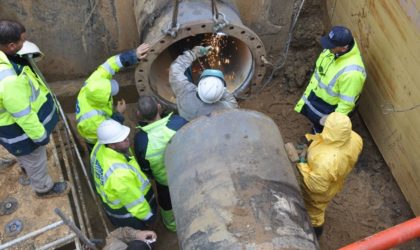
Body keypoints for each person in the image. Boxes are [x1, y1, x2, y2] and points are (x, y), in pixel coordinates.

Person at [0, 19, 69, 198]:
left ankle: (25, 162)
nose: (25, 43)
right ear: (11, 45)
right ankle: (44, 189)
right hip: (20, 133)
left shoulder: (6, 57)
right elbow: (23, 115)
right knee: (35, 161)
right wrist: (40, 137)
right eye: (22, 41)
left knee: (28, 158)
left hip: (9, 130)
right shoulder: (8, 81)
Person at [296, 112, 363, 238]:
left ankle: (314, 235)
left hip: (319, 190)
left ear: (331, 131)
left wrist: (302, 163)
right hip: (334, 179)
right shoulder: (355, 138)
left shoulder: (326, 161)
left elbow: (316, 187)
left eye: (326, 127)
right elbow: (326, 139)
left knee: (315, 212)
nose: (323, 128)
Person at [76, 43, 150, 152]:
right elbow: (108, 130)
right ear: (103, 100)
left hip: (98, 122)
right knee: (105, 151)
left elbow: (110, 64)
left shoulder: (94, 83)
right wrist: (119, 114)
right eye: (109, 94)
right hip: (95, 138)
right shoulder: (92, 121)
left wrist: (134, 55)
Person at [294, 26, 366, 133]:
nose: (327, 48)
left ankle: (318, 144)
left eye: (331, 46)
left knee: (325, 132)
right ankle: (315, 134)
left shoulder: (352, 73)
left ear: (344, 48)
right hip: (318, 98)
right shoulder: (333, 51)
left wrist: (332, 121)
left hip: (330, 108)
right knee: (317, 125)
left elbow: (346, 104)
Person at [134, 95, 188, 232]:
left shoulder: (141, 140)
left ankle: (172, 225)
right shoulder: (178, 122)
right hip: (186, 171)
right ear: (159, 107)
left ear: (138, 114)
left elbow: (143, 166)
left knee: (167, 203)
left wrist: (152, 174)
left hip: (164, 181)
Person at [91, 119, 157, 229]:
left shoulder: (99, 146)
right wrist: (149, 217)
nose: (128, 139)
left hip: (114, 205)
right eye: (123, 139)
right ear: (112, 145)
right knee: (142, 236)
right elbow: (135, 203)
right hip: (127, 215)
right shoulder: (120, 175)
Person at [169, 45, 238, 121]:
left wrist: (194, 53)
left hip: (187, 120)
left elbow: (175, 70)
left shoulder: (185, 93)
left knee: (186, 73)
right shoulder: (226, 108)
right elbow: (231, 101)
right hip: (201, 128)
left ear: (199, 84)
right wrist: (221, 89)